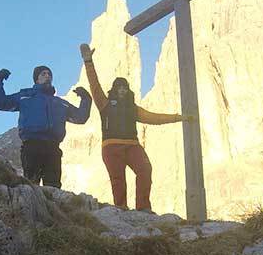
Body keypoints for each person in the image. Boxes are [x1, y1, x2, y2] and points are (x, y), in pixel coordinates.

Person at [80, 43, 193, 212]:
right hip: (111, 147)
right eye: (119, 87)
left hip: (133, 146)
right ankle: (121, 208)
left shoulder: (133, 108)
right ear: (114, 89)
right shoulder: (104, 103)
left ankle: (143, 208)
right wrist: (88, 61)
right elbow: (94, 85)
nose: (122, 90)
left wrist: (180, 118)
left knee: (145, 169)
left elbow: (155, 118)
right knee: (118, 179)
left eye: (125, 87)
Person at [0, 63, 91, 187]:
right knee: (31, 186)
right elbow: (0, 103)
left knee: (53, 188)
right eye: (43, 74)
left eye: (49, 74)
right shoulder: (25, 96)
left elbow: (81, 117)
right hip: (32, 146)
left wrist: (86, 99)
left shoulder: (60, 103)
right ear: (36, 79)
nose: (47, 76)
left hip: (53, 147)